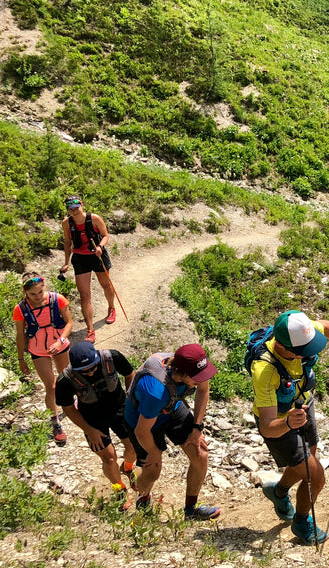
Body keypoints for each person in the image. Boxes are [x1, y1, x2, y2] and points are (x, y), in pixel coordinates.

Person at [251, 310, 329, 544]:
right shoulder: (265, 371)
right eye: (305, 351)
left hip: (303, 404)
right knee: (316, 476)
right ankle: (301, 523)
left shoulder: (301, 333)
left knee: (308, 460)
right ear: (284, 348)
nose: (312, 352)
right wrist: (289, 422)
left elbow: (326, 327)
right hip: (282, 423)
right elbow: (267, 427)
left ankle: (278, 492)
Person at [124, 344, 220, 520]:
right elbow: (141, 430)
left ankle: (191, 510)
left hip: (171, 406)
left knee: (200, 453)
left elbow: (203, 390)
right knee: (153, 469)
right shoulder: (155, 390)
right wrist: (154, 453)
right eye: (197, 377)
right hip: (141, 420)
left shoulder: (195, 367)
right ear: (181, 373)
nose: (202, 379)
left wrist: (196, 428)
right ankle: (143, 498)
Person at [56, 341, 138, 510]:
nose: (90, 372)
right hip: (92, 418)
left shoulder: (112, 357)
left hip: (120, 407)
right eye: (84, 371)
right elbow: (68, 408)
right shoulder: (65, 380)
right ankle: (120, 490)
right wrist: (89, 430)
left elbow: (130, 374)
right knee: (108, 457)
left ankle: (128, 467)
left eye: (93, 367)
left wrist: (131, 402)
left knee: (133, 447)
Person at [14, 272, 73, 446]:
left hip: (59, 345)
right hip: (37, 349)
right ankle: (55, 422)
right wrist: (20, 358)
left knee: (66, 379)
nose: (38, 297)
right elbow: (20, 335)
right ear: (25, 293)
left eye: (40, 292)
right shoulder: (20, 309)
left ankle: (72, 406)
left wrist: (60, 341)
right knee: (51, 385)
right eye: (33, 294)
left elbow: (69, 323)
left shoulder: (58, 299)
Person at [59, 195, 118, 343]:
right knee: (84, 295)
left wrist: (100, 246)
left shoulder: (95, 219)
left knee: (106, 284)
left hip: (97, 255)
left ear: (81, 205)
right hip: (80, 259)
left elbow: (105, 235)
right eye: (70, 209)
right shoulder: (66, 223)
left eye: (76, 207)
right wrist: (66, 262)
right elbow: (67, 242)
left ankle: (111, 308)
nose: (74, 211)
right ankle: (90, 330)